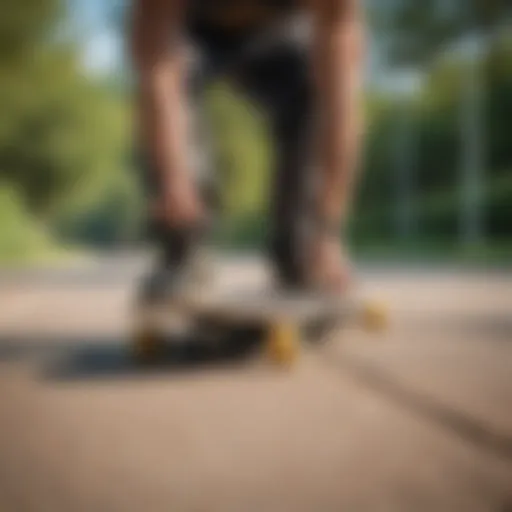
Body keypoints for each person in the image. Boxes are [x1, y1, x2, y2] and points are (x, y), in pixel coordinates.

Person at [130, 0, 365, 301]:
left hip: (281, 39)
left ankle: (302, 249)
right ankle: (183, 251)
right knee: (174, 105)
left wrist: (328, 227)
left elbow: (339, 98)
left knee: (312, 91)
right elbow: (156, 70)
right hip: (189, 34)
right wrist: (174, 179)